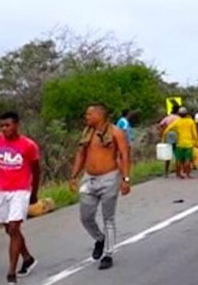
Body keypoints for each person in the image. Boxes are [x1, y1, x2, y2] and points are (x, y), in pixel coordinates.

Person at [0, 112, 40, 284]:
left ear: (16, 125)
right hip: (1, 190)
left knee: (14, 227)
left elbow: (36, 170)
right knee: (9, 229)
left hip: (20, 190)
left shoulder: (28, 145)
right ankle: (27, 257)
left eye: (8, 125)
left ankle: (11, 272)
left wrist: (34, 192)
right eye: (2, 126)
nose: (5, 129)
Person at [69, 103, 131, 270]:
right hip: (89, 179)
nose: (86, 117)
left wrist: (125, 178)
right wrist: (74, 176)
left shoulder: (116, 132)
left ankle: (108, 254)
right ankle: (100, 239)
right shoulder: (87, 133)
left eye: (89, 114)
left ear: (99, 115)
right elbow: (80, 154)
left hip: (109, 178)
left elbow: (125, 155)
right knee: (86, 216)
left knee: (108, 218)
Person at [165, 107, 198, 179]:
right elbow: (194, 133)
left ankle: (178, 174)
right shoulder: (190, 122)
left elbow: (168, 129)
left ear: (179, 114)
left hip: (179, 143)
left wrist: (164, 137)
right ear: (187, 114)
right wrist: (197, 142)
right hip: (189, 143)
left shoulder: (177, 122)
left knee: (178, 160)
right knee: (187, 159)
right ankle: (187, 174)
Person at [159, 103, 181, 178]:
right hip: (177, 135)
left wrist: (162, 133)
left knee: (167, 154)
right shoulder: (179, 118)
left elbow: (161, 125)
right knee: (177, 154)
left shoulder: (168, 118)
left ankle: (166, 172)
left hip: (168, 135)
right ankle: (178, 172)